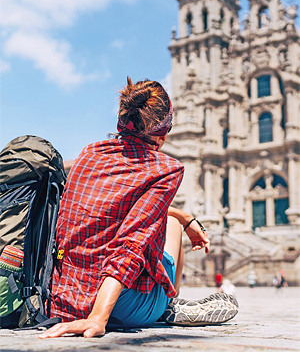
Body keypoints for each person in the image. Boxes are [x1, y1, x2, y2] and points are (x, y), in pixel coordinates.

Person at [40, 78, 238, 339]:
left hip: (64, 297)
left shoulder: (89, 153)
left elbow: (108, 214)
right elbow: (130, 245)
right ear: (164, 132)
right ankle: (167, 303)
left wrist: (182, 213)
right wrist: (98, 318)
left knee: (173, 219)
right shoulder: (166, 169)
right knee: (172, 225)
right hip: (117, 307)